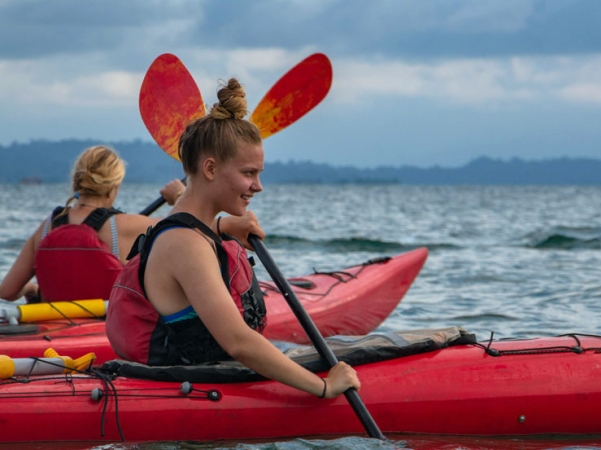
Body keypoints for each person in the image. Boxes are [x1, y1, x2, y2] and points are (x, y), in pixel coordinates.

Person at [106, 78, 360, 399]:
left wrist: (225, 226)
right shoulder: (186, 245)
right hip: (188, 393)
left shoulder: (191, 231)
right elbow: (238, 342)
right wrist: (323, 387)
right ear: (210, 168)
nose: (258, 186)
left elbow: (192, 224)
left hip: (203, 375)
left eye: (259, 174)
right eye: (249, 173)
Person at [0, 145, 253, 303]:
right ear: (115, 186)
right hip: (101, 330)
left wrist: (32, 289)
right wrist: (179, 196)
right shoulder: (124, 226)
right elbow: (189, 227)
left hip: (52, 330)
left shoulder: (47, 227)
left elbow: (8, 291)